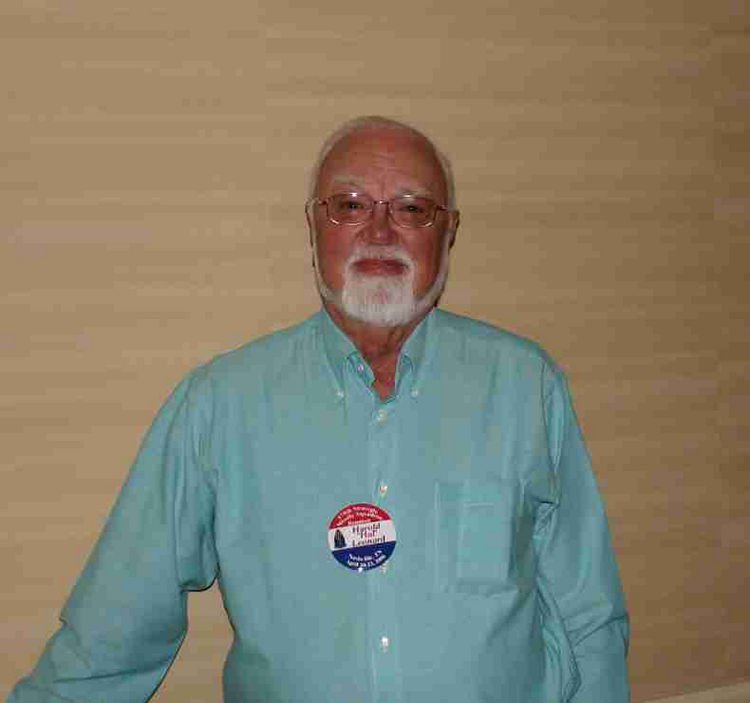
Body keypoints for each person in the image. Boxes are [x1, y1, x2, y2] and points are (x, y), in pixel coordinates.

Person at [7, 116, 629, 702]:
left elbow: (588, 613)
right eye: (351, 206)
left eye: (411, 208)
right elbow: (114, 628)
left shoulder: (525, 385)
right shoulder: (220, 405)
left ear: (448, 231)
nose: (380, 233)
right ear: (313, 225)